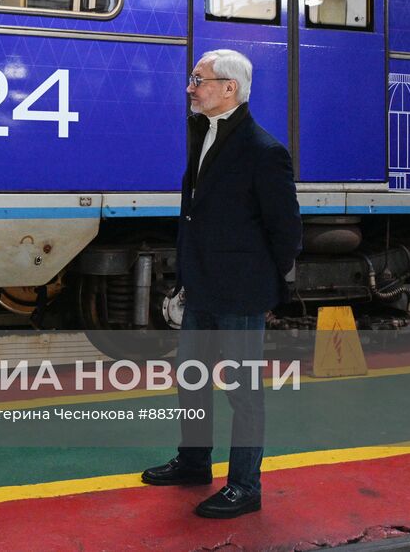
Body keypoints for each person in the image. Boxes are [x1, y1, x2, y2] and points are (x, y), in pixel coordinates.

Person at [140, 48, 302, 519]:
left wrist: (266, 286)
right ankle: (194, 463)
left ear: (229, 88)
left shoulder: (264, 151)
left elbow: (285, 229)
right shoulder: (202, 132)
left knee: (243, 392)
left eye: (199, 79)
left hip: (239, 291)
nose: (191, 87)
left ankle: (246, 487)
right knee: (190, 379)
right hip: (203, 286)